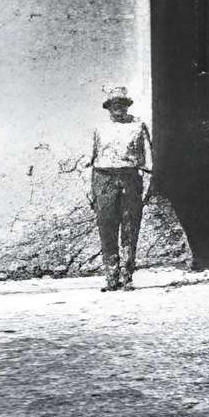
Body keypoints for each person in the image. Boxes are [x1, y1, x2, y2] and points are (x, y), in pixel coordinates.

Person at [90, 86, 152, 291]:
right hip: (103, 177)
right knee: (106, 227)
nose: (118, 108)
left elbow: (148, 160)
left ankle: (127, 275)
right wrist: (91, 191)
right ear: (108, 107)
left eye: (122, 104)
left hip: (130, 177)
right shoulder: (99, 129)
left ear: (127, 106)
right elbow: (91, 160)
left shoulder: (138, 126)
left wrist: (147, 184)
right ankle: (111, 276)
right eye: (114, 104)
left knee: (130, 225)